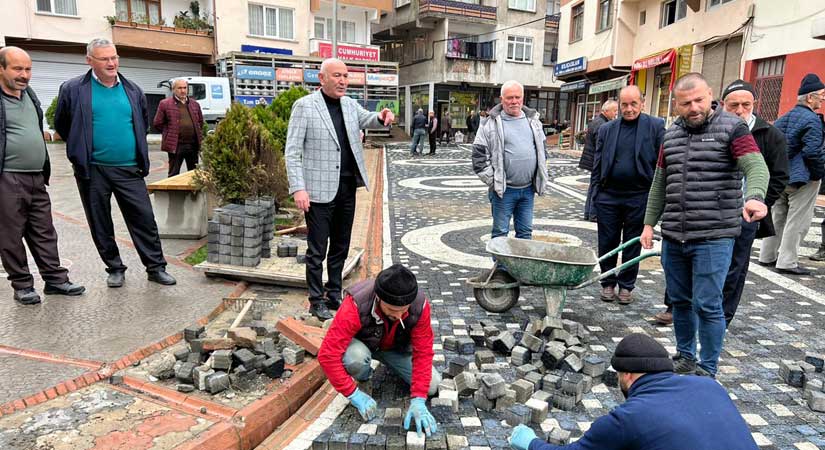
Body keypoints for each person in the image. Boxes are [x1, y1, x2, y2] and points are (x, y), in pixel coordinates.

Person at [641, 73, 768, 377]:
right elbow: (660, 182)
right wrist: (648, 224)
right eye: (686, 103)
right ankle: (685, 357)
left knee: (708, 305)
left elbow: (756, 165)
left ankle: (707, 368)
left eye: (699, 100)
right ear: (676, 105)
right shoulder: (670, 135)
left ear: (711, 95)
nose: (694, 107)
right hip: (674, 235)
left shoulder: (733, 128)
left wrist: (755, 196)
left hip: (714, 236)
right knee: (681, 301)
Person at [654, 80, 790, 326]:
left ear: (753, 105)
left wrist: (758, 200)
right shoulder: (697, 128)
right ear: (724, 103)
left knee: (733, 270)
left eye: (745, 104)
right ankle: (678, 308)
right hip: (701, 215)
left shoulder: (769, 134)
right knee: (685, 264)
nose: (740, 109)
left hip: (744, 215)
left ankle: (720, 318)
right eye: (734, 104)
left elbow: (776, 174)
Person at [54, 38, 176, 288]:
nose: (111, 63)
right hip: (93, 169)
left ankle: (155, 267)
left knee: (143, 218)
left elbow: (142, 124)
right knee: (100, 221)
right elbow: (63, 124)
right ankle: (115, 268)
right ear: (90, 60)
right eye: (104, 58)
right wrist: (80, 149)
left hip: (129, 167)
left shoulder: (133, 90)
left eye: (114, 57)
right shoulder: (73, 89)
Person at [507, 333, 759, 450]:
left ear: (627, 374)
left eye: (618, 376)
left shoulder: (626, 419)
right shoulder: (709, 385)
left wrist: (531, 442)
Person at [285, 58, 394, 321]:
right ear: (321, 79)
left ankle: (333, 293)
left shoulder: (348, 104)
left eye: (346, 75)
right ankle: (315, 299)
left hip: (347, 188)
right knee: (317, 250)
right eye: (337, 75)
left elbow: (367, 119)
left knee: (341, 247)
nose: (343, 80)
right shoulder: (305, 107)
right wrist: (298, 188)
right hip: (318, 192)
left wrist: (381, 117)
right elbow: (292, 152)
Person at [0, 47, 85, 305]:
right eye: (17, 69)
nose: (24, 75)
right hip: (7, 177)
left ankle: (55, 280)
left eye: (28, 69)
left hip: (36, 176)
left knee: (44, 230)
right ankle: (23, 285)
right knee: (11, 234)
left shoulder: (30, 94)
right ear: (1, 69)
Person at [317, 264, 440, 437]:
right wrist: (353, 393)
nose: (398, 316)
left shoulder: (420, 307)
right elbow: (327, 356)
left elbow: (423, 352)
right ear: (379, 298)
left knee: (432, 386)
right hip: (363, 343)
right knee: (355, 359)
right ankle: (362, 372)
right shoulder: (355, 304)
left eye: (403, 311)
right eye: (391, 310)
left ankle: (390, 364)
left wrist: (419, 398)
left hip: (395, 348)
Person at [593, 87, 664, 304]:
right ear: (618, 105)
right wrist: (594, 196)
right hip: (608, 196)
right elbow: (597, 165)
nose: (629, 109)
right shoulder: (607, 129)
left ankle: (626, 286)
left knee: (633, 243)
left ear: (642, 103)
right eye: (624, 104)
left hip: (639, 196)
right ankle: (607, 282)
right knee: (607, 242)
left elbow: (663, 162)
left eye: (634, 104)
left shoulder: (655, 126)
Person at [471, 80, 548, 275]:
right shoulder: (490, 123)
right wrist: (494, 180)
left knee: (525, 233)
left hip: (528, 190)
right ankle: (502, 272)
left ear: (523, 98)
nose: (514, 101)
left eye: (517, 97)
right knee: (500, 233)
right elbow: (479, 158)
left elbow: (542, 150)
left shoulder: (533, 121)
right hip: (504, 191)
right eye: (509, 98)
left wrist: (539, 176)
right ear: (502, 99)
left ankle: (522, 270)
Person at [758, 73, 825, 275]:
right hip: (802, 178)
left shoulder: (783, 117)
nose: (823, 99)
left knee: (778, 217)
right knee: (798, 220)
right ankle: (787, 261)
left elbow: (772, 147)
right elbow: (813, 151)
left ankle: (767, 256)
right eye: (821, 95)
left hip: (780, 176)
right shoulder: (812, 120)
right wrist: (818, 174)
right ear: (810, 98)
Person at [153, 78, 204, 177]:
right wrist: (169, 133)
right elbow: (157, 123)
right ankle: (172, 193)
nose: (183, 90)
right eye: (179, 88)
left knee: (194, 174)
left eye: (185, 88)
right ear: (173, 89)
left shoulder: (195, 104)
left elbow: (200, 122)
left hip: (192, 145)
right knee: (173, 173)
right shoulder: (165, 104)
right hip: (176, 145)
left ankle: (192, 192)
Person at [579, 100, 617, 222]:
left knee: (593, 186)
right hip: (596, 161)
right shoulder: (602, 124)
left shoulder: (597, 121)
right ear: (606, 111)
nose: (616, 114)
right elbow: (601, 145)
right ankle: (593, 214)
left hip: (592, 159)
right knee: (597, 187)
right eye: (614, 111)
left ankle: (588, 212)